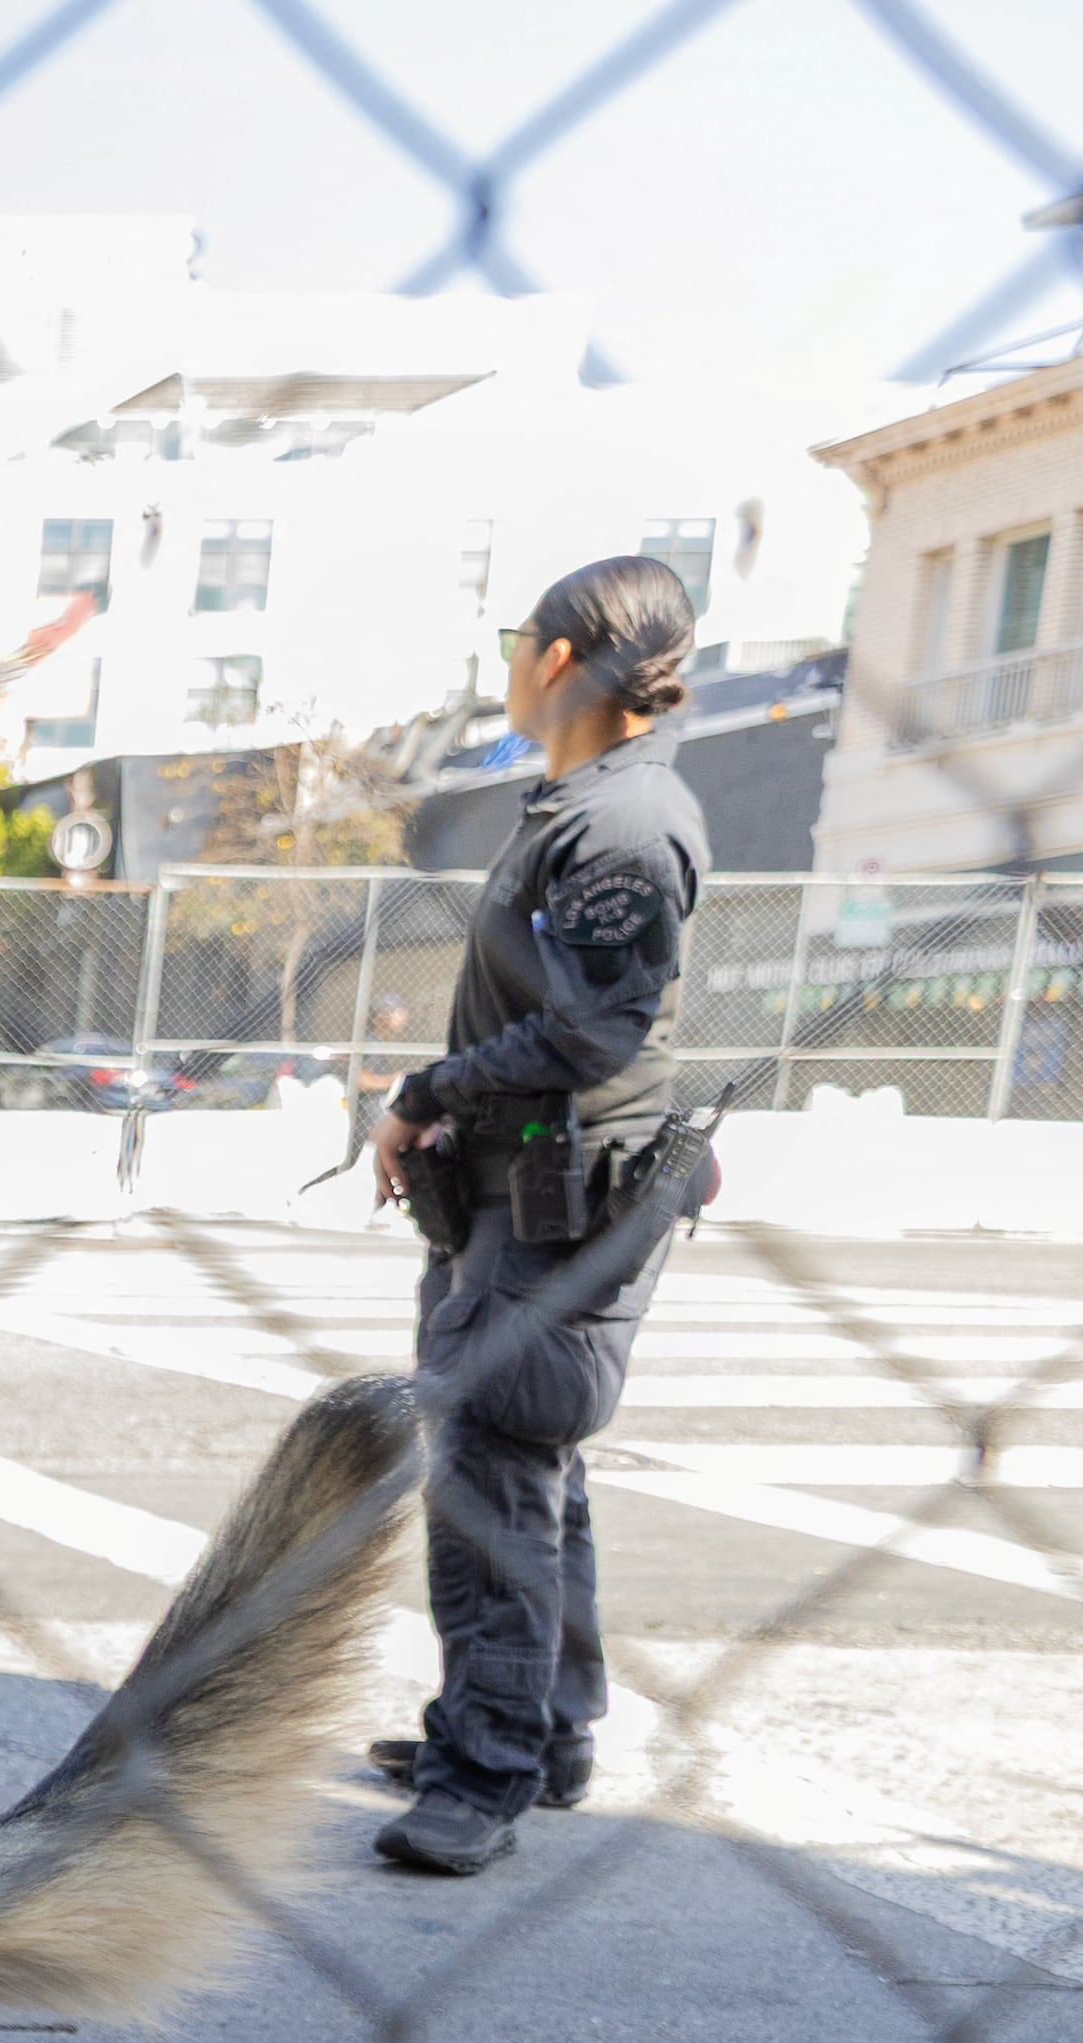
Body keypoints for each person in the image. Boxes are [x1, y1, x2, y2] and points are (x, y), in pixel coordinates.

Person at [358, 554, 713, 1876]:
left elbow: (597, 1031)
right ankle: (542, 1732)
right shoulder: (584, 804)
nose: (510, 662)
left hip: (556, 1207)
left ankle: (483, 1776)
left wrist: (427, 1090)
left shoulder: (623, 822)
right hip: (515, 1192)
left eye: (518, 639)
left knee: (491, 1479)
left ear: (557, 659)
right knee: (527, 1467)